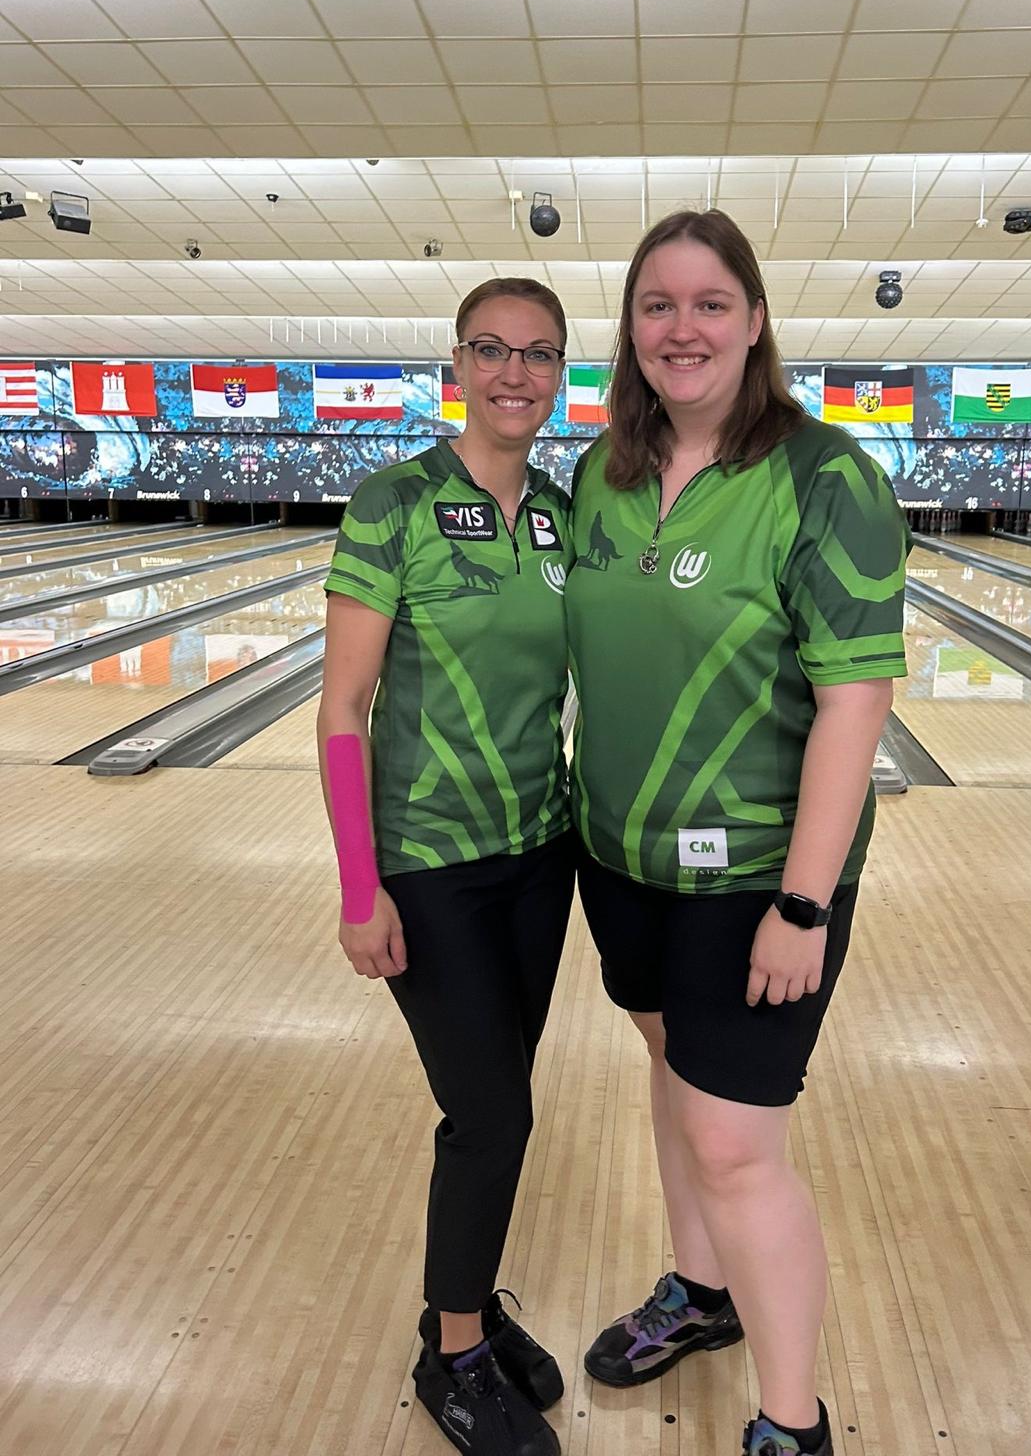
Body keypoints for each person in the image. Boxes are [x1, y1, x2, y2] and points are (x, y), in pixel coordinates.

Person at [565, 210, 909, 1456]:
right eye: (658, 305)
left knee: (732, 1138)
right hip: (623, 863)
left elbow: (854, 703)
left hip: (761, 874)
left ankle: (791, 1420)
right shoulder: (601, 476)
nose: (683, 326)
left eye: (711, 302)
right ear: (632, 331)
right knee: (676, 1075)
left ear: (755, 320)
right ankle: (700, 1295)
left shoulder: (826, 478)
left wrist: (806, 903)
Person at [317, 277, 576, 1456]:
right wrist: (359, 885)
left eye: (538, 355)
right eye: (492, 349)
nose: (514, 372)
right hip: (430, 862)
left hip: (540, 856)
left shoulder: (568, 515)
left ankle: (452, 1302)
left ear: (560, 373)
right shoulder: (396, 502)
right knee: (492, 1113)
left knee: (495, 1108)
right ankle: (456, 1352)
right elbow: (341, 710)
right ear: (455, 365)